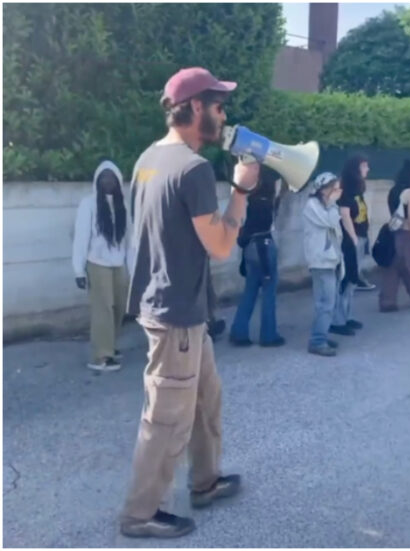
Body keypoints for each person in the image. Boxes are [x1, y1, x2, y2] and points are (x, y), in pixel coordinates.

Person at [121, 67, 258, 539]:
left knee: (205, 401)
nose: (224, 115)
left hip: (174, 305)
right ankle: (141, 513)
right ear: (195, 107)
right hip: (176, 311)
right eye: (218, 105)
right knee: (166, 418)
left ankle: (205, 481)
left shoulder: (149, 158)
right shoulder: (195, 168)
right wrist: (241, 191)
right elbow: (220, 246)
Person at [72, 160, 134, 372]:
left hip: (118, 264)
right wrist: (78, 270)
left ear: (117, 181)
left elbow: (129, 241)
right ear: (98, 181)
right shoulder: (88, 204)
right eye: (104, 177)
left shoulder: (122, 206)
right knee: (103, 308)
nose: (108, 181)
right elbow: (81, 238)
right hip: (96, 263)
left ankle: (110, 345)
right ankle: (101, 356)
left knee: (119, 306)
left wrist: (133, 270)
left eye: (112, 177)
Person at [229, 166, 285, 347]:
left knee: (250, 291)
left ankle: (239, 332)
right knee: (269, 292)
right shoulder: (266, 204)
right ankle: (268, 335)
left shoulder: (249, 201)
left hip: (250, 248)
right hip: (264, 247)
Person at [303, 172, 353, 357]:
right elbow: (330, 221)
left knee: (326, 302)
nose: (339, 191)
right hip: (321, 262)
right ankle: (317, 341)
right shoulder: (312, 205)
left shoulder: (326, 206)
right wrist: (333, 204)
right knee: (326, 303)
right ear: (326, 188)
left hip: (330, 260)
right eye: (336, 187)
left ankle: (321, 335)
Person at [379, 159, 410, 312]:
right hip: (406, 232)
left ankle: (387, 301)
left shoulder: (393, 191)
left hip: (393, 231)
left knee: (393, 267)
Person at [339, 155, 376, 295]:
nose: (368, 169)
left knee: (352, 280)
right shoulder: (347, 191)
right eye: (364, 166)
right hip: (352, 239)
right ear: (356, 169)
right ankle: (343, 314)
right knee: (349, 278)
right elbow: (344, 214)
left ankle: (347, 314)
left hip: (361, 235)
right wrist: (353, 237)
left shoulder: (358, 190)